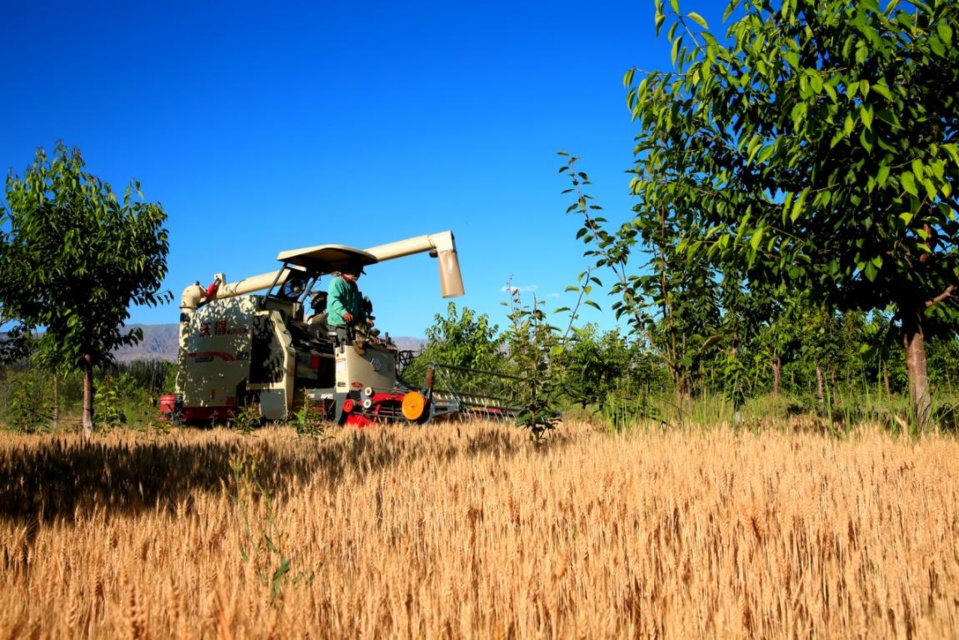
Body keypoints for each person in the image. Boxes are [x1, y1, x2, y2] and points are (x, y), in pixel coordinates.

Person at [327, 266, 371, 352]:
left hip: (349, 326)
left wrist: (365, 319)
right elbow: (333, 300)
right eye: (355, 272)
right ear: (347, 270)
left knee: (350, 350)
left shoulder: (354, 286)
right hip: (338, 324)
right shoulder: (337, 282)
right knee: (343, 351)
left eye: (359, 273)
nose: (358, 275)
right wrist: (344, 313)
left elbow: (358, 306)